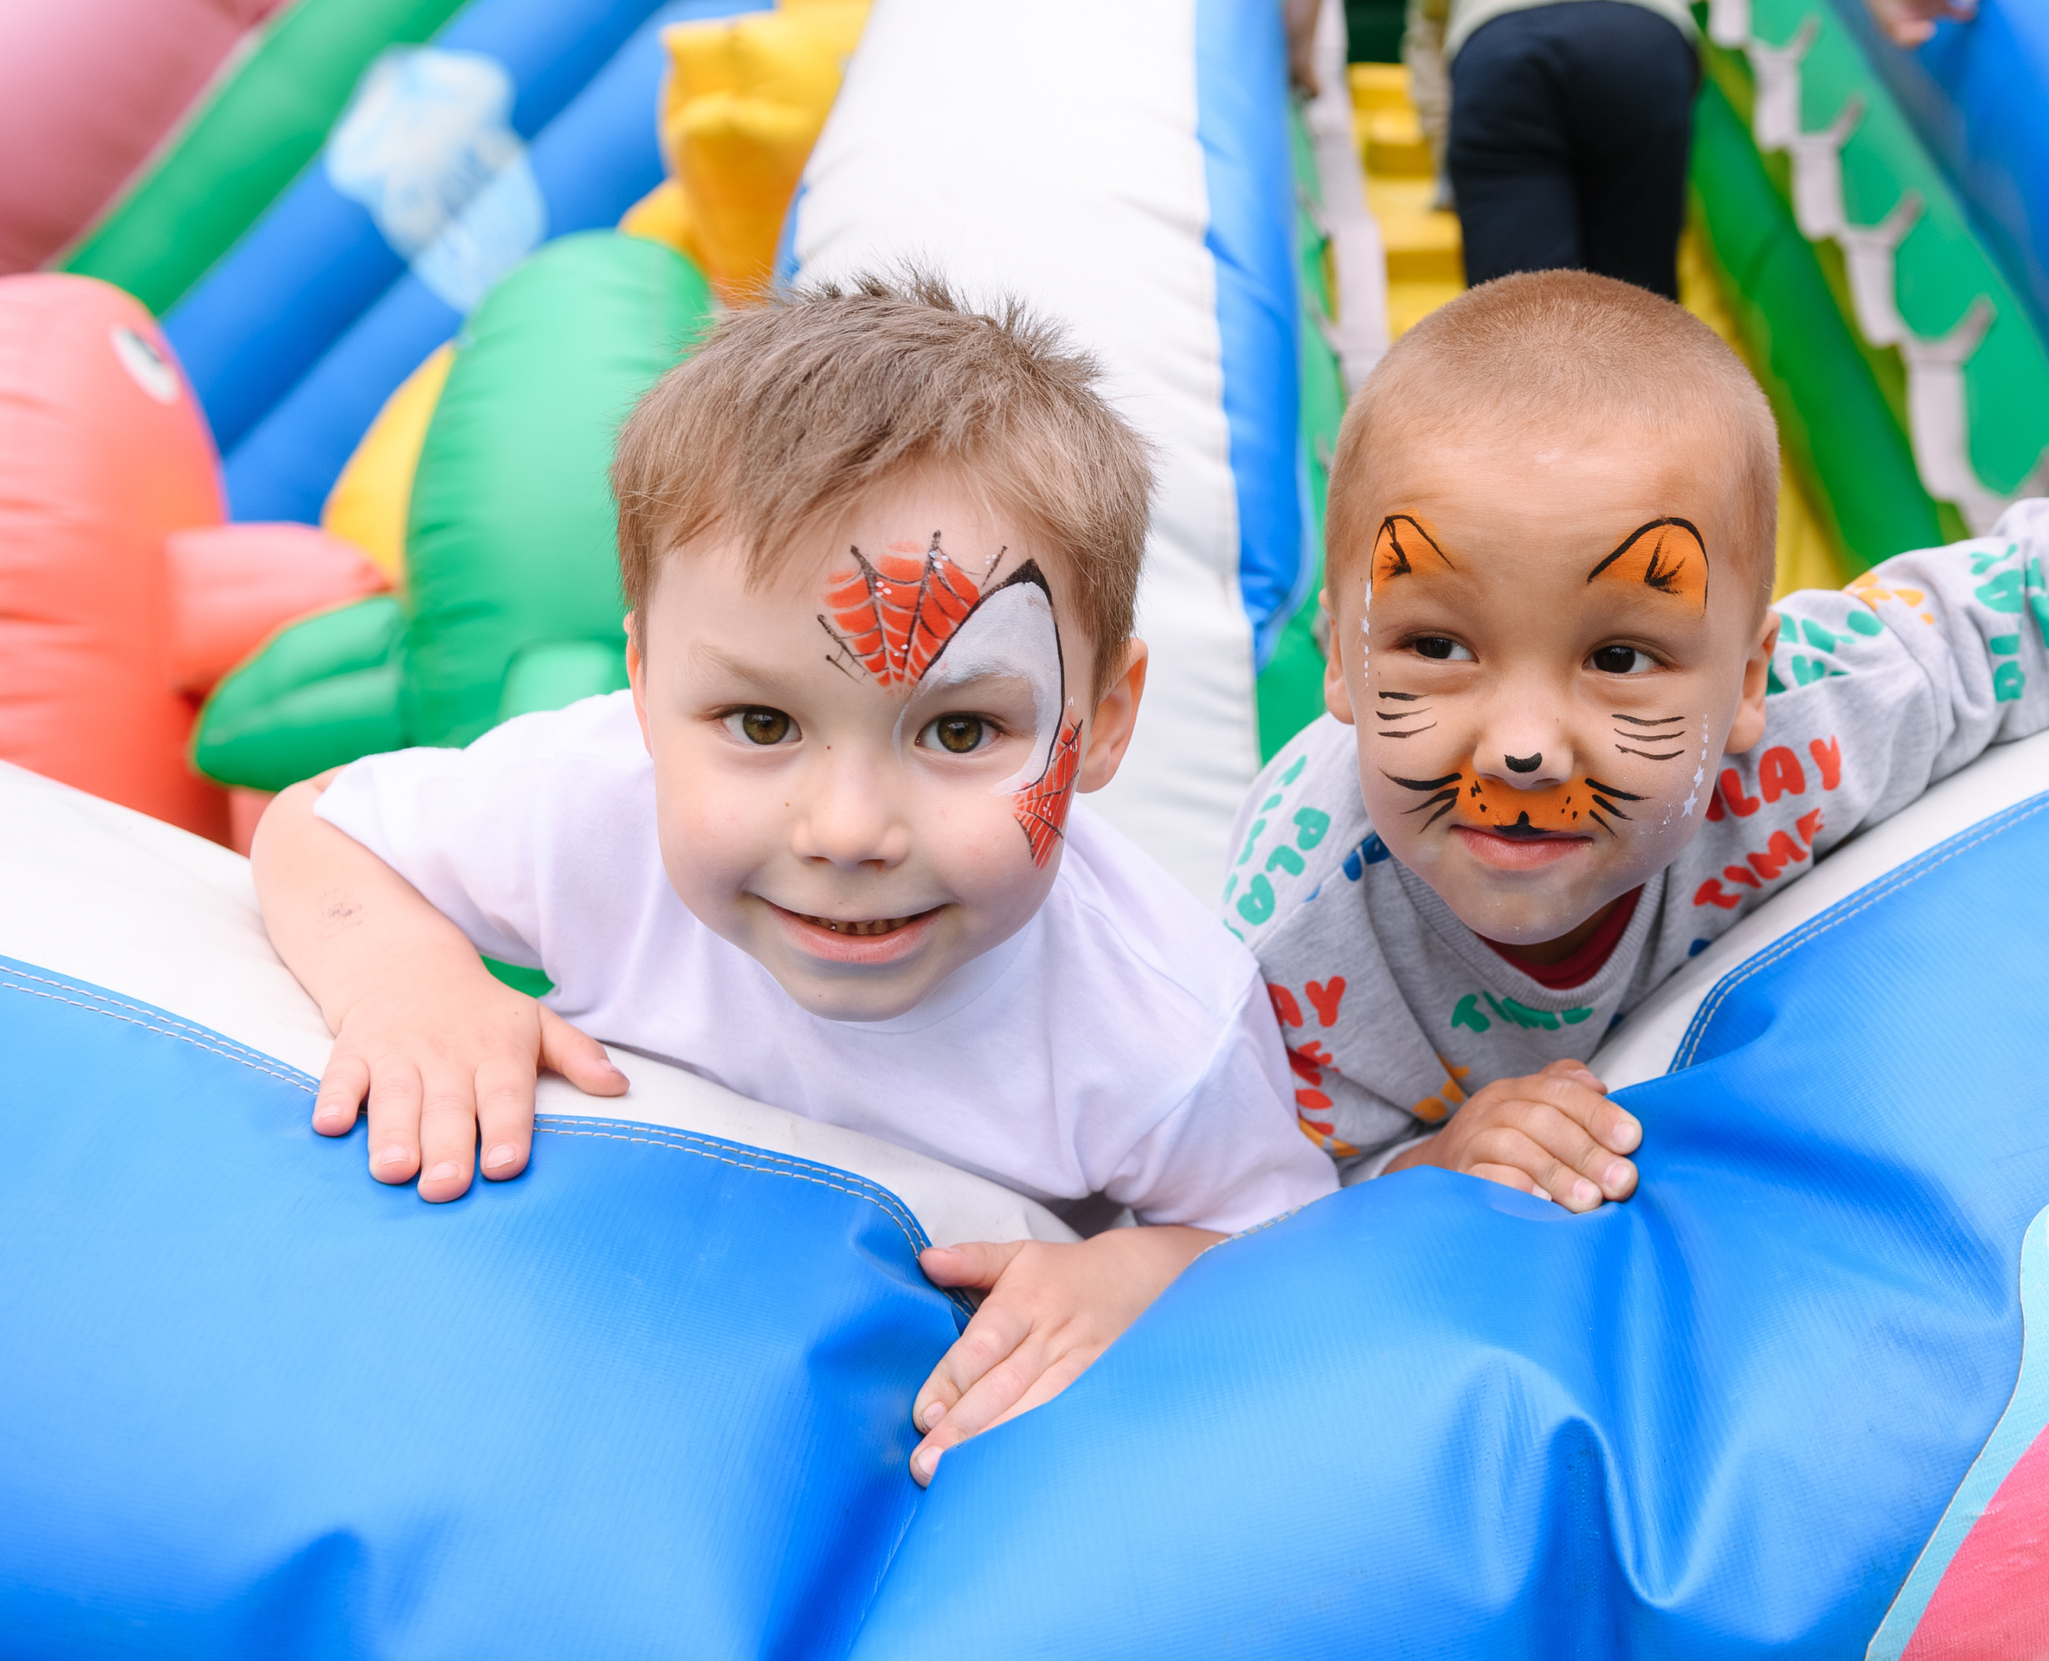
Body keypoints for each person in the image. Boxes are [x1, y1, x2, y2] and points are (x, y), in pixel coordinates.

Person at [251, 275, 1339, 1485]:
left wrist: (1147, 1269)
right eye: (761, 723)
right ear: (645, 682)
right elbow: (315, 827)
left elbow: (1295, 1248)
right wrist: (408, 984)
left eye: (961, 732)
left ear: (1106, 719)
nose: (847, 829)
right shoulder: (588, 801)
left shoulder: (1160, 1028)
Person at [1224, 270, 2049, 1206]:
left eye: (1620, 656)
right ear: (1339, 654)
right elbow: (1234, 1216)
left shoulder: (1820, 711)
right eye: (1439, 647)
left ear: (1749, 676)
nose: (1521, 743)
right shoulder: (1285, 945)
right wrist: (1428, 1166)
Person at [1283, 0, 1995, 297]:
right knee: (1636, 309)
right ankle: (1658, 537)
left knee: (1521, 324)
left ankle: (1540, 535)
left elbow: (1424, 35)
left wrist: (1296, 41)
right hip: (1637, 36)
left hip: (1499, 45)